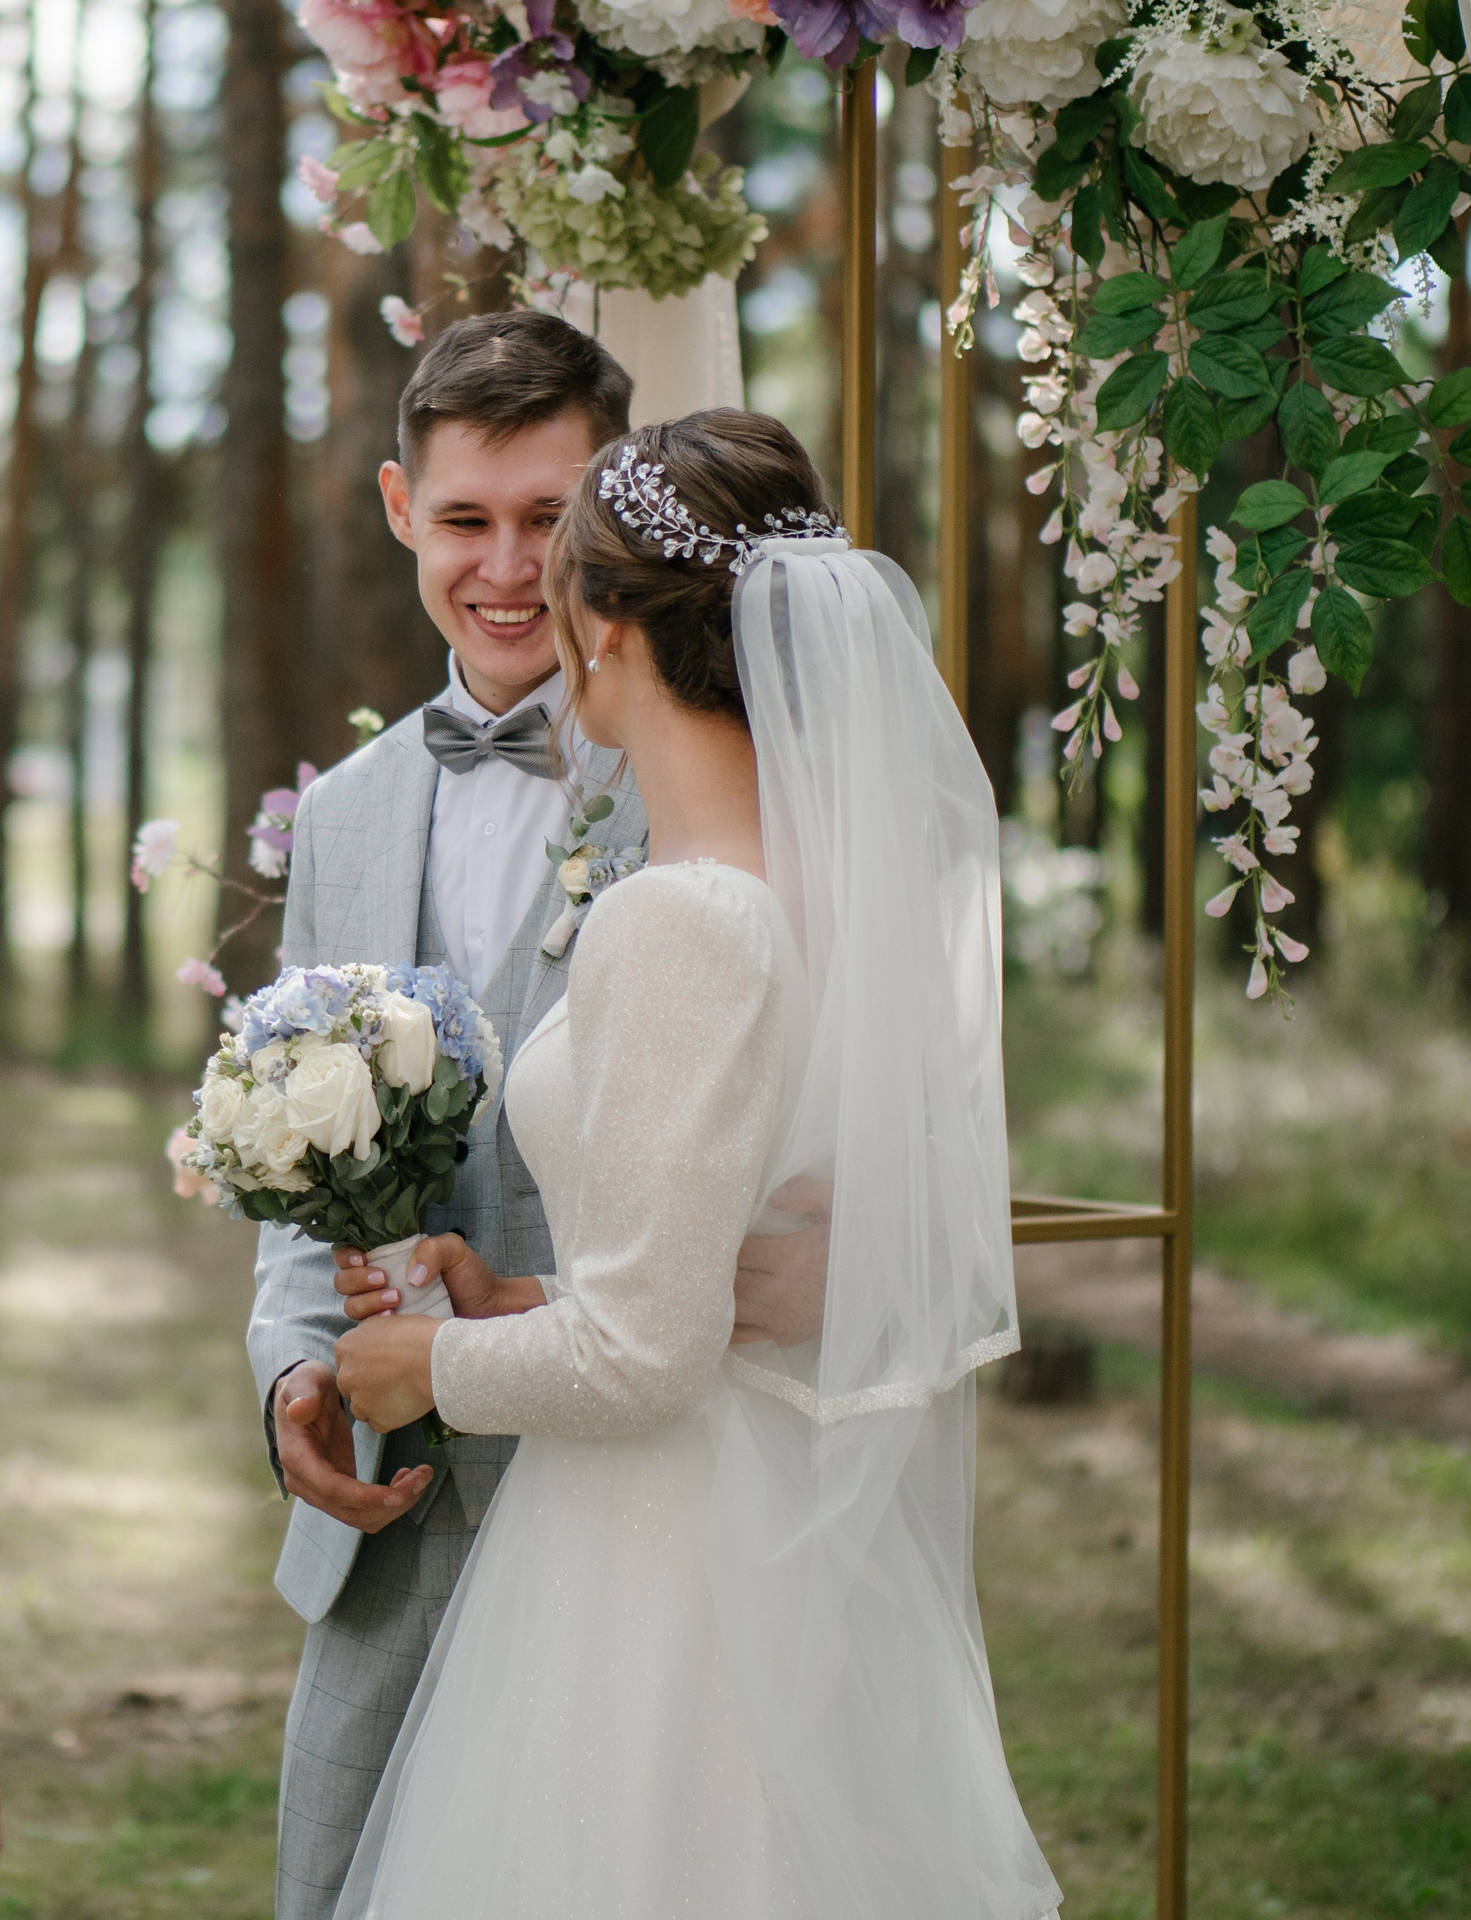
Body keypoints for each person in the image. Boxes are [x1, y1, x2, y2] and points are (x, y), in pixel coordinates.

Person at [325, 411, 1062, 1918]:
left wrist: (421, 1366)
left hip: (663, 1581)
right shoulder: (834, 888)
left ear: (608, 626)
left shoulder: (684, 918)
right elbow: (721, 1278)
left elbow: (642, 1361)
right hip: (783, 1541)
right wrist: (518, 1288)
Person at [251, 313, 828, 1920]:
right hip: (395, 1512)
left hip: (643, 1535)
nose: (509, 569)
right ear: (395, 507)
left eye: (550, 523)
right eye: (465, 519)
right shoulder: (350, 815)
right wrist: (302, 1378)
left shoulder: (724, 791)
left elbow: (821, 1211)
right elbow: (297, 1186)